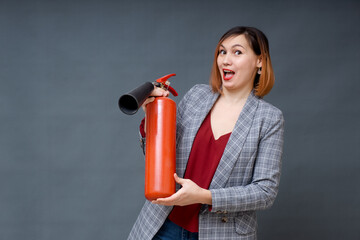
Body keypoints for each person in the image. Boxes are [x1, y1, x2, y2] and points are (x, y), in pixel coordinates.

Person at [128, 26, 285, 240]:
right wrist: (154, 116)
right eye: (222, 52)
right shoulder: (196, 96)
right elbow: (159, 157)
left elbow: (265, 192)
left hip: (222, 233)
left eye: (237, 52)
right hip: (163, 225)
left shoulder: (269, 118)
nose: (225, 60)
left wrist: (204, 196)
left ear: (260, 61)